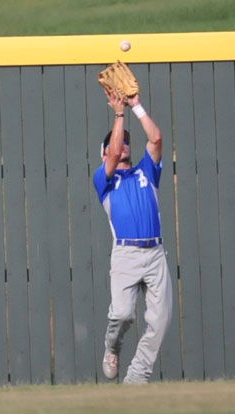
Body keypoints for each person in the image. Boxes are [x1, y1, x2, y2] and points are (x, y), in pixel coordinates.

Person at [93, 90, 172, 384]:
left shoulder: (145, 172)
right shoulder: (104, 179)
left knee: (160, 320)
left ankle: (137, 377)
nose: (123, 144)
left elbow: (156, 139)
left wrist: (136, 105)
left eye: (127, 141)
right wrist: (118, 113)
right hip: (126, 254)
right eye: (116, 141)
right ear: (103, 153)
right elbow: (113, 153)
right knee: (124, 314)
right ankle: (112, 347)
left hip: (154, 253)